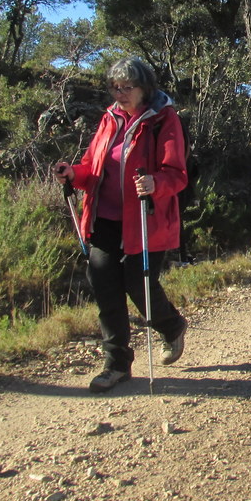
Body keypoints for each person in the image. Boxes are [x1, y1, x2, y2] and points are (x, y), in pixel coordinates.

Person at [53, 57, 189, 393]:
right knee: (104, 288)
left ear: (145, 88)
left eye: (128, 87)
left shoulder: (163, 120)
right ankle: (116, 364)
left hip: (145, 220)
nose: (121, 93)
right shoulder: (109, 119)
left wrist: (156, 183)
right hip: (103, 220)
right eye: (116, 87)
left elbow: (177, 174)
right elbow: (91, 168)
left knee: (139, 286)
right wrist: (73, 173)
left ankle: (171, 326)